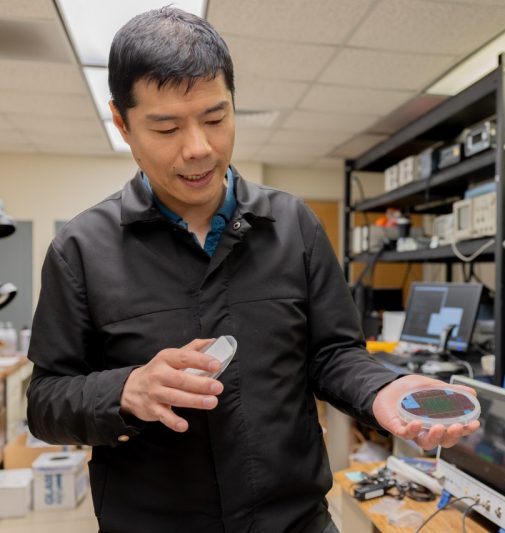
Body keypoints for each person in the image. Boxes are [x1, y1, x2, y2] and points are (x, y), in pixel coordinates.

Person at [26, 7, 478, 533]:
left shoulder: (294, 225)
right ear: (123, 123)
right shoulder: (80, 249)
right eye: (167, 127)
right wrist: (126, 389)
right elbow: (45, 400)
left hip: (294, 521)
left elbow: (333, 354)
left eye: (216, 119)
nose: (198, 148)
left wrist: (383, 389)